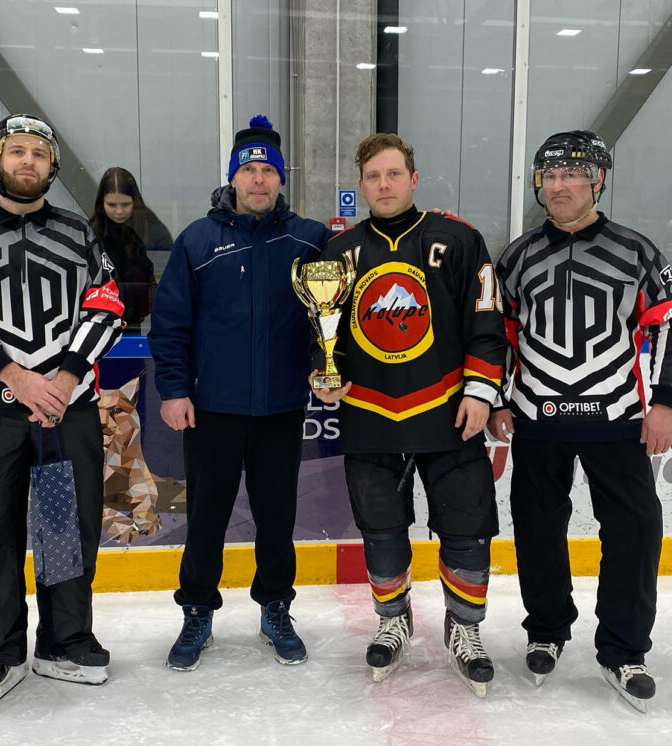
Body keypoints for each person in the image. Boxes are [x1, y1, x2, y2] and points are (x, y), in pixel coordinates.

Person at [0, 114, 125, 709]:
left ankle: (64, 640)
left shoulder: (79, 232)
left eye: (39, 152)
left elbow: (107, 308)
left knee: (67, 526)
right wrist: (15, 377)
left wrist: (62, 379)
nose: (27, 160)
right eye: (16, 151)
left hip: (66, 407)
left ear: (52, 166)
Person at [491, 129, 672, 713]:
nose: (558, 187)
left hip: (617, 420)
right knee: (536, 529)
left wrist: (664, 402)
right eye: (549, 177)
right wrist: (500, 399)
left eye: (571, 176)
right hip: (538, 418)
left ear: (597, 180)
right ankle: (546, 629)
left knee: (635, 531)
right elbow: (498, 334)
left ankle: (624, 649)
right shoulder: (518, 256)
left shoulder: (636, 252)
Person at [312, 133, 507, 698]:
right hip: (370, 413)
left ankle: (464, 628)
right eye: (373, 177)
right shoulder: (338, 253)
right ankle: (392, 620)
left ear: (414, 179)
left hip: (448, 412)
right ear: (361, 184)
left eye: (394, 174)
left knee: (467, 526)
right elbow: (321, 333)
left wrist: (481, 392)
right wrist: (323, 372)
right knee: (381, 528)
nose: (384, 185)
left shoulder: (460, 240)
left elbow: (486, 324)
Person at [148, 115, 329, 671]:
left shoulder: (309, 239)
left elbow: (329, 319)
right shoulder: (197, 240)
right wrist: (174, 389)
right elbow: (170, 323)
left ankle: (276, 607)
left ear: (280, 179)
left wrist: (325, 368)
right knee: (206, 518)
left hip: (281, 407)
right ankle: (197, 609)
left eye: (268, 171)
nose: (258, 179)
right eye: (248, 170)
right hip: (212, 410)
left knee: (277, 517)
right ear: (233, 177)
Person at [89, 167, 173, 332]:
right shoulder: (91, 233)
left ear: (135, 201)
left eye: (126, 204)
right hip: (98, 319)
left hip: (141, 321)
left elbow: (166, 276)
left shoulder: (153, 231)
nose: (119, 211)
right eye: (111, 204)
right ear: (101, 203)